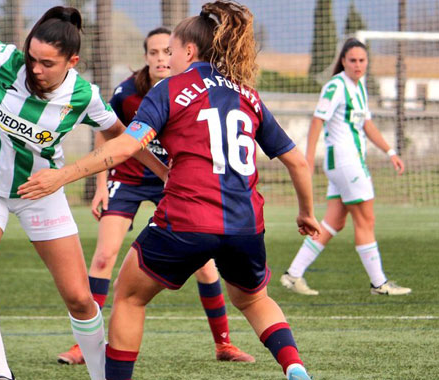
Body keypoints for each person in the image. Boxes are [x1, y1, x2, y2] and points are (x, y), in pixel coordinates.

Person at [18, 2, 321, 379]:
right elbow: (298, 162)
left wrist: (63, 175)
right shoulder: (248, 94)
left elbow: (126, 146)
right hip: (245, 224)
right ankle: (294, 365)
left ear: (189, 51)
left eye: (172, 49)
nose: (167, 58)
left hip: (187, 219)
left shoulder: (169, 90)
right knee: (254, 298)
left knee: (129, 296)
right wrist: (306, 213)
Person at [0, 1, 165, 379]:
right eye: (32, 58)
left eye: (47, 63)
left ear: (72, 61)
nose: (35, 69)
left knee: (79, 298)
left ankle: (102, 376)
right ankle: (1, 375)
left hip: (42, 193)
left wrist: (167, 175)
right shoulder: (4, 60)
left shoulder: (84, 95)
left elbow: (121, 136)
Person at [56, 27, 254, 366]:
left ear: (181, 52)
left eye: (166, 51)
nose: (161, 58)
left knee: (205, 267)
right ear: (145, 57)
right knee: (104, 256)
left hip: (173, 182)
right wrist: (101, 186)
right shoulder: (128, 92)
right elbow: (108, 133)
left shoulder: (192, 88)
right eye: (154, 53)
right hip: (130, 178)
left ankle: (224, 343)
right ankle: (83, 345)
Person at [280, 38, 410, 296]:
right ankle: (379, 283)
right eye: (353, 60)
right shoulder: (336, 86)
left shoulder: (358, 87)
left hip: (346, 163)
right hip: (345, 162)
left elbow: (367, 125)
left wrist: (390, 151)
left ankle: (293, 275)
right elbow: (318, 120)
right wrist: (307, 157)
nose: (358, 65)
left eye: (362, 60)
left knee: (334, 222)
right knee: (366, 219)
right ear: (343, 61)